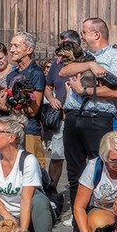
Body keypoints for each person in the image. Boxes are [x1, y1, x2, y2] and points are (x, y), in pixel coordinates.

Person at [59, 17, 117, 229]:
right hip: (73, 117)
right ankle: (77, 225)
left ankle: (99, 223)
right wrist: (90, 64)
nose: (80, 36)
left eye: (84, 32)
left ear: (96, 34)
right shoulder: (81, 57)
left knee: (100, 171)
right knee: (74, 173)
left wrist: (86, 92)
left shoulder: (115, 56)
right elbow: (63, 71)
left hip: (97, 119)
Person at [0, 115, 54, 232]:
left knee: (40, 202)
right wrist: (6, 215)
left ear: (11, 138)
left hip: (31, 210)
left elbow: (25, 200)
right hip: (8, 212)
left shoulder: (28, 160)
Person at [0, 32, 46, 168]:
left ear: (29, 50)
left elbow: (33, 110)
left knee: (33, 169)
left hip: (29, 131)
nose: (11, 50)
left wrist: (6, 106)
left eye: (16, 46)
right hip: (12, 131)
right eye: (11, 46)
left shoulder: (36, 73)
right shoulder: (12, 75)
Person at [44, 30, 78, 191]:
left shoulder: (82, 62)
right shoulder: (56, 64)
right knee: (57, 157)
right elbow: (48, 86)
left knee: (78, 159)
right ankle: (51, 192)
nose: (59, 51)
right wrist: (51, 99)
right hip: (61, 118)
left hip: (79, 118)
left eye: (63, 46)